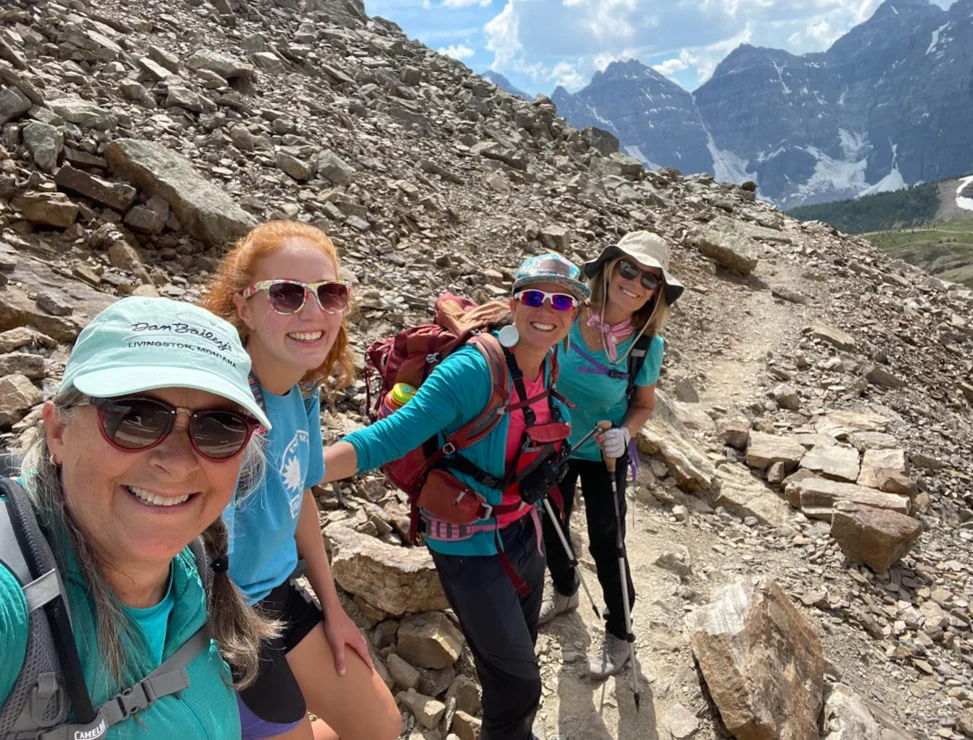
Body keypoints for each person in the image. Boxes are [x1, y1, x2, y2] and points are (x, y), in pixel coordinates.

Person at [321, 253, 589, 740]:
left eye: (562, 301)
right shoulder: (472, 370)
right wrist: (301, 472)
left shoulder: (549, 359)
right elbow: (387, 437)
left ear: (575, 314)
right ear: (514, 303)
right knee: (520, 682)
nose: (546, 309)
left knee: (518, 651)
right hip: (467, 543)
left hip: (522, 528)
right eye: (533, 297)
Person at [0, 296, 277, 738]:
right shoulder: (12, 603)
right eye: (135, 418)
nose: (179, 463)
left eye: (219, 427)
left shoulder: (194, 570)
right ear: (59, 432)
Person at [201, 221, 401, 740]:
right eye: (287, 294)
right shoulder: (217, 409)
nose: (313, 313)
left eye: (329, 294)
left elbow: (299, 497)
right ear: (243, 306)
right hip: (220, 613)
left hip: (275, 591)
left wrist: (333, 610)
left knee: (380, 726)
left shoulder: (301, 390)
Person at [539, 231, 684, 680]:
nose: (636, 283)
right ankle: (565, 592)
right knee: (549, 524)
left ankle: (620, 633)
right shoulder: (564, 315)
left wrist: (624, 433)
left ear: (656, 293)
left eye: (650, 279)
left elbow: (642, 405)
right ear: (607, 268)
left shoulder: (646, 346)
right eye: (628, 268)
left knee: (608, 542)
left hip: (606, 451)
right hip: (552, 440)